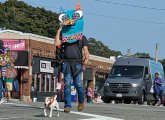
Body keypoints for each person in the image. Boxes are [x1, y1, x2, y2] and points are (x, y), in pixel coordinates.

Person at [55, 27, 89, 113]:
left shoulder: (82, 37)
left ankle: (81, 101)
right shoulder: (65, 37)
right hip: (66, 63)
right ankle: (67, 106)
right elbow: (56, 43)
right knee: (67, 84)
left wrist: (87, 58)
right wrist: (59, 31)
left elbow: (85, 49)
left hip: (77, 63)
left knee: (78, 84)